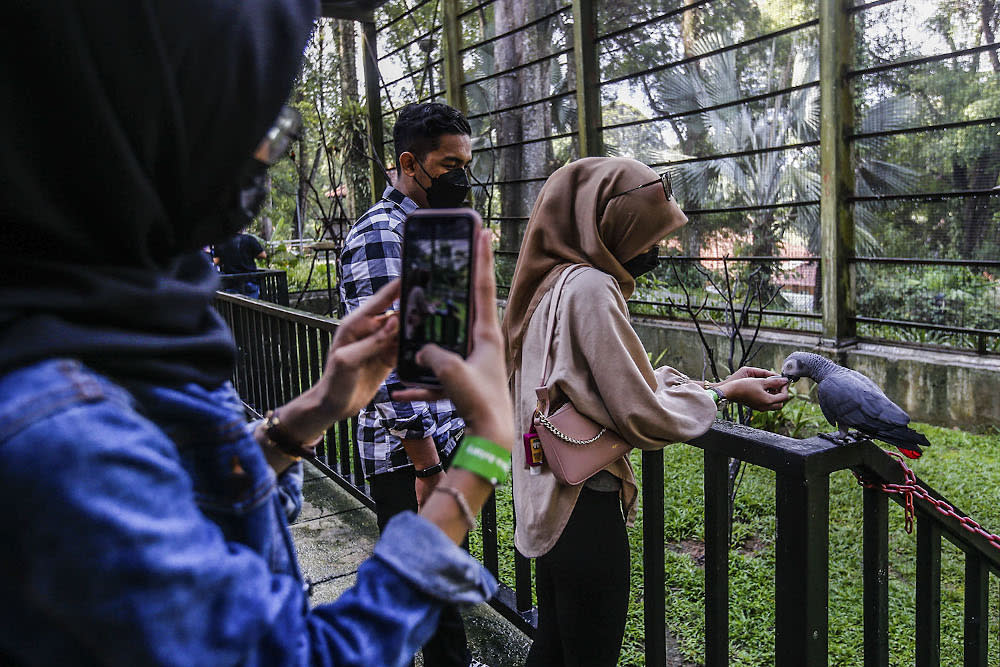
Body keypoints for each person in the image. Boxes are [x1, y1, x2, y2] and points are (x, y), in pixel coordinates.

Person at [0, 3, 515, 665]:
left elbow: (178, 499)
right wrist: (484, 457)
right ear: (152, 124)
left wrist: (311, 412)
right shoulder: (55, 437)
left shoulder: (116, 313)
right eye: (254, 124)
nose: (266, 154)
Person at [501, 157, 790, 667]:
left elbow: (593, 388)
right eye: (648, 237)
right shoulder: (591, 287)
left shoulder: (549, 284)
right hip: (583, 506)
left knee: (553, 649)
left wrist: (712, 385)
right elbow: (639, 412)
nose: (653, 251)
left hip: (544, 499)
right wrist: (723, 396)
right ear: (610, 226)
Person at [339, 102, 482, 667]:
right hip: (408, 452)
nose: (461, 177)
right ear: (409, 162)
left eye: (466, 163)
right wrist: (425, 465)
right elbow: (390, 361)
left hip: (449, 435)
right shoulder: (380, 235)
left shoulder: (434, 228)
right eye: (450, 164)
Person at [214, 230, 268, 298]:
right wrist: (249, 254)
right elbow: (263, 255)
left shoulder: (221, 242)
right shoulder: (249, 239)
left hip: (231, 281)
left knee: (233, 306)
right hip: (249, 279)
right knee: (251, 305)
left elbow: (216, 261)